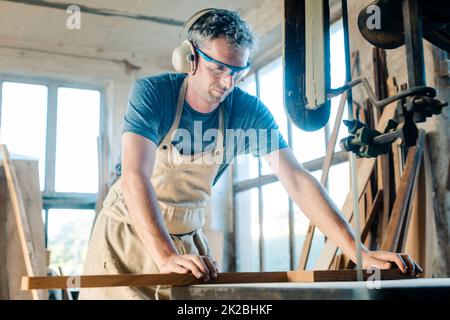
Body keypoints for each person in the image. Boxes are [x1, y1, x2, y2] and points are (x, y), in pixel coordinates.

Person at [79, 8, 422, 300]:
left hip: (185, 242)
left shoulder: (247, 111)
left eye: (238, 72)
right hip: (126, 238)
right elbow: (135, 175)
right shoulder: (155, 94)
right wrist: (164, 255)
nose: (228, 84)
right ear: (189, 58)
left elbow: (297, 180)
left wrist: (356, 251)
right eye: (219, 69)